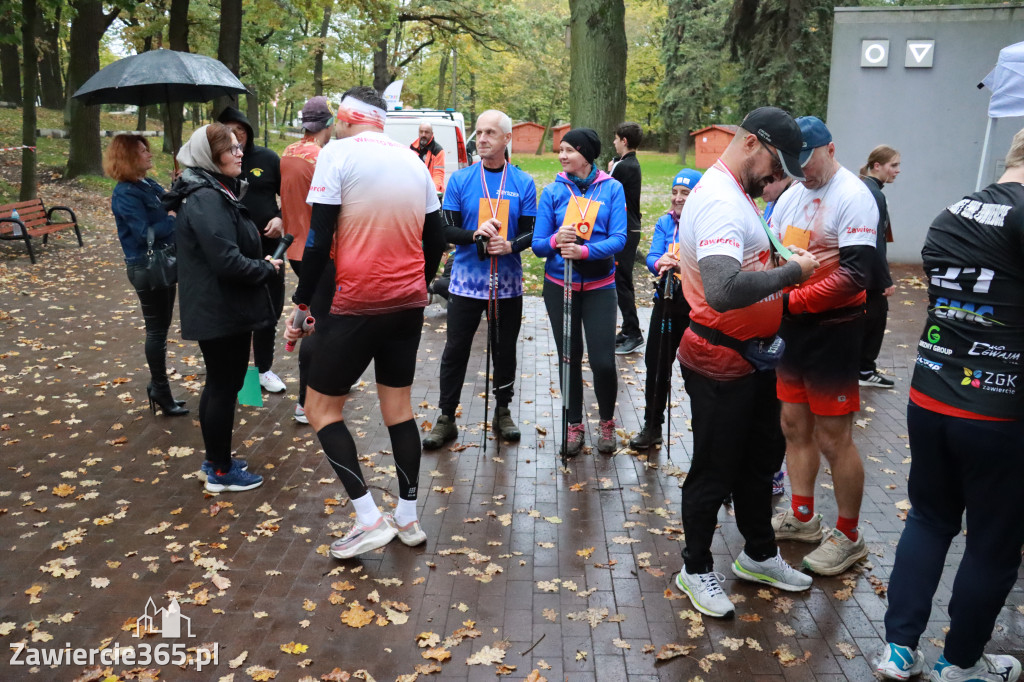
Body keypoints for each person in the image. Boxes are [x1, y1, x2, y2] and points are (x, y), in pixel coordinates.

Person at [875, 129, 1024, 682]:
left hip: (930, 393)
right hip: (998, 410)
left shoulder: (950, 213)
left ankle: (897, 648)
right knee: (993, 540)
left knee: (931, 518)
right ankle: (960, 663)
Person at [284, 86, 446, 559]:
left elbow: (317, 240)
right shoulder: (413, 162)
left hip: (355, 304)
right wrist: (419, 283)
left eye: (337, 114)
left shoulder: (337, 154)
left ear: (348, 116)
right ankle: (408, 518)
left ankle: (368, 517)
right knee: (398, 408)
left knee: (320, 410)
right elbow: (434, 239)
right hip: (407, 303)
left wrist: (301, 302)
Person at [673, 107, 818, 618]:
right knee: (714, 471)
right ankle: (694, 567)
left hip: (753, 358)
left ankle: (758, 554)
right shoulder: (718, 200)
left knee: (759, 465)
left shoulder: (735, 192)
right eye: (777, 164)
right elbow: (723, 288)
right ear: (753, 144)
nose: (777, 177)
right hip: (719, 359)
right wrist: (794, 272)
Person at [768, 116, 879, 576]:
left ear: (830, 149)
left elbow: (856, 276)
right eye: (792, 162)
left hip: (834, 329)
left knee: (835, 437)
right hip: (793, 326)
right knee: (794, 424)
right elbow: (777, 249)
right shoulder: (793, 192)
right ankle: (802, 515)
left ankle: (850, 536)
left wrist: (789, 301)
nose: (800, 170)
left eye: (807, 160)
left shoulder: (855, 196)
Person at [163, 123, 279, 493]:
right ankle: (221, 471)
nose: (240, 153)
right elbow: (226, 259)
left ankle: (216, 459)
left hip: (222, 305)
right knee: (223, 386)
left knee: (221, 384)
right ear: (210, 157)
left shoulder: (213, 191)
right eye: (231, 149)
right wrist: (264, 267)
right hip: (220, 307)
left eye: (239, 147)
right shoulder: (207, 197)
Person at [421, 109, 537, 450]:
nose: (482, 139)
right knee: (456, 349)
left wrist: (509, 245)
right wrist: (474, 235)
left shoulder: (522, 182)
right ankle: (446, 417)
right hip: (466, 283)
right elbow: (445, 229)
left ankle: (503, 412)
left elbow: (531, 233)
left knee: (504, 351)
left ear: (506, 139)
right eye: (479, 132)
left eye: (490, 133)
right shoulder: (461, 180)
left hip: (507, 285)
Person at [532, 128, 626, 456]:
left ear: (586, 154)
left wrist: (586, 252)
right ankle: (574, 424)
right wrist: (557, 240)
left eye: (569, 150)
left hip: (600, 287)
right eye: (561, 150)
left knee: (602, 362)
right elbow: (538, 245)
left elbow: (619, 239)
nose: (562, 155)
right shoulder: (553, 191)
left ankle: (606, 422)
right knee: (569, 358)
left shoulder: (612, 189)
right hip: (561, 288)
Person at [105, 134, 189, 418]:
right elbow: (144, 234)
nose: (149, 154)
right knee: (156, 330)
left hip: (163, 263)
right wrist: (172, 220)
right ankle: (161, 390)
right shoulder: (125, 193)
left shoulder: (147, 184)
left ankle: (158, 387)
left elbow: (166, 203)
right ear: (128, 157)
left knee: (162, 329)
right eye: (142, 151)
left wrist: (178, 186)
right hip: (147, 267)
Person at [629, 168, 701, 449]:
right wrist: (661, 263)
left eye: (685, 193)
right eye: (674, 192)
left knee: (694, 372)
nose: (678, 198)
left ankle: (702, 433)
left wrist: (685, 266)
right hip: (666, 301)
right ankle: (652, 425)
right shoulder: (664, 222)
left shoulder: (704, 224)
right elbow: (652, 257)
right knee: (657, 365)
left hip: (694, 306)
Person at [217, 106, 287, 395]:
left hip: (271, 249)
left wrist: (281, 218)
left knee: (269, 309)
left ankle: (264, 369)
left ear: (249, 132)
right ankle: (244, 380)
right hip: (236, 251)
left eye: (241, 132)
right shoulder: (216, 164)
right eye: (230, 132)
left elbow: (289, 195)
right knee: (240, 313)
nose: (237, 138)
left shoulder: (268, 159)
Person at [280, 95, 336, 424]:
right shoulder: (322, 157)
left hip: (295, 248)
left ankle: (325, 383)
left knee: (310, 313)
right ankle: (305, 401)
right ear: (327, 124)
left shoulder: (288, 152)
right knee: (319, 323)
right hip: (319, 250)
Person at [859, 145, 901, 389]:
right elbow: (875, 241)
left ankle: (860, 367)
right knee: (875, 319)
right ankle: (864, 370)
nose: (897, 170)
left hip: (861, 271)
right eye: (893, 165)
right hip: (868, 275)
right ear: (877, 166)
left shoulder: (865, 188)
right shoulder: (874, 194)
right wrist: (884, 280)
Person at [608, 122, 645, 355]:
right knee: (621, 281)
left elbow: (604, 187)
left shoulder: (625, 167)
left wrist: (611, 169)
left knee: (622, 283)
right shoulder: (625, 164)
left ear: (624, 141)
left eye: (615, 138)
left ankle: (635, 334)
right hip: (627, 228)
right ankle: (628, 329)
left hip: (627, 230)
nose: (613, 142)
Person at [412, 120, 446, 193]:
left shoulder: (438, 151)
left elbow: (438, 175)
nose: (423, 134)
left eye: (426, 132)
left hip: (432, 192)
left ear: (431, 134)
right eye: (421, 132)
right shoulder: (412, 148)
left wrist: (431, 191)